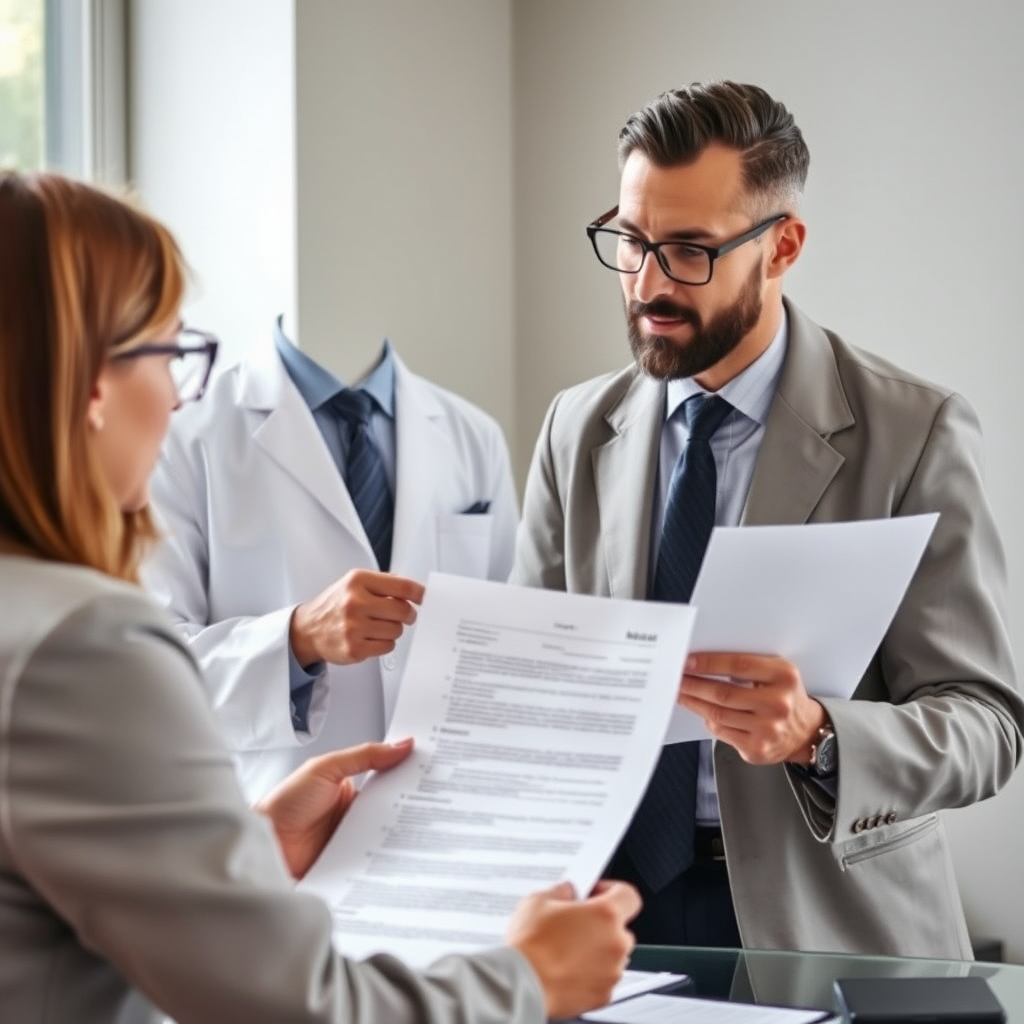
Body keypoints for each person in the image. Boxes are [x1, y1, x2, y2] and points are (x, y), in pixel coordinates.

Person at [0, 169, 640, 1024]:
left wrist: (253, 850)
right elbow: (296, 1007)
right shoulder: (88, 645)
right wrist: (528, 978)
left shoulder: (30, 616)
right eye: (169, 353)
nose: (178, 393)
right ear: (92, 387)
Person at [511, 80, 1024, 958]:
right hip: (609, 915)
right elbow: (533, 681)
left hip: (829, 922)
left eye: (689, 250)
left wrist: (818, 736)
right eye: (630, 242)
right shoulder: (575, 428)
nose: (648, 284)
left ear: (781, 246)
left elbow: (987, 726)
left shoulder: (914, 431)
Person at [140, 302, 519, 803]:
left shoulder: (475, 435)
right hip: (274, 826)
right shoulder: (182, 438)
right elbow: (149, 677)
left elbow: (508, 642)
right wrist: (296, 639)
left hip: (449, 814)